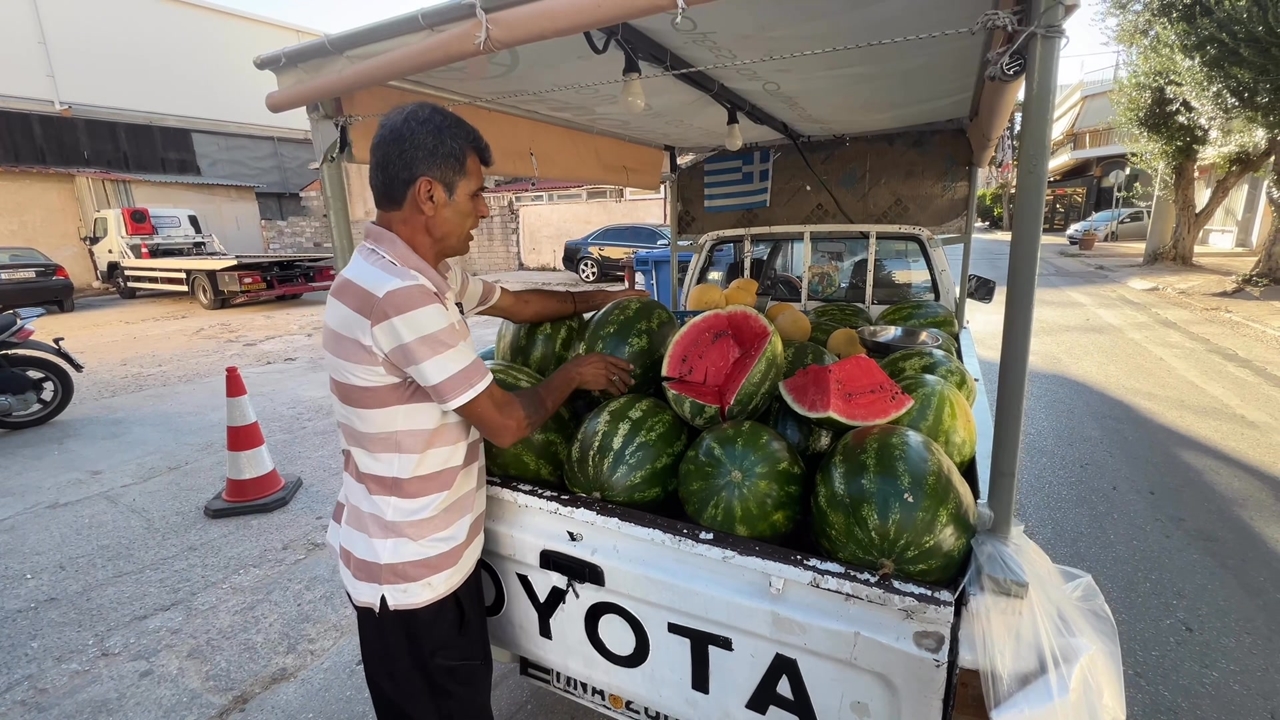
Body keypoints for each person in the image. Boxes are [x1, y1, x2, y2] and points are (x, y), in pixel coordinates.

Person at [320, 101, 648, 720]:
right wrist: (572, 374)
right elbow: (505, 420)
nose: (485, 207)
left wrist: (602, 298)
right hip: (414, 577)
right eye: (475, 192)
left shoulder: (411, 273)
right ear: (428, 195)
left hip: (415, 555)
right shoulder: (402, 296)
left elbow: (518, 304)